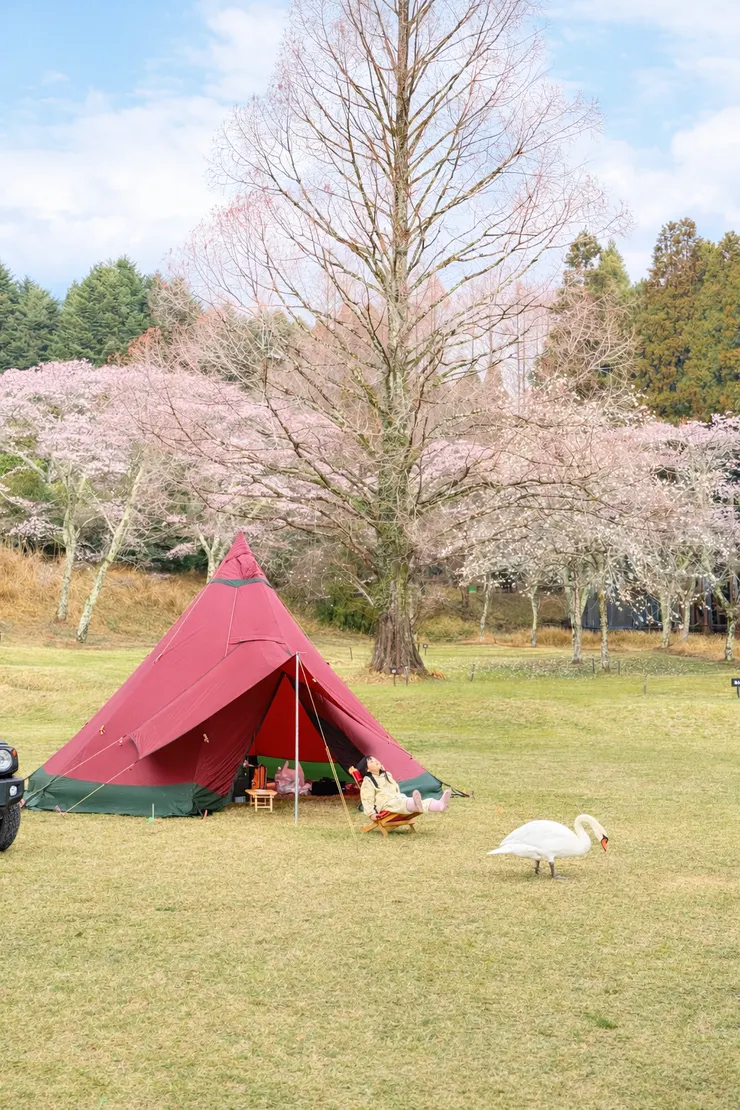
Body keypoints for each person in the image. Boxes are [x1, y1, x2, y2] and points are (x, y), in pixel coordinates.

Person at [357, 756, 451, 820]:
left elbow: (395, 788)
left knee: (407, 801)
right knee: (403, 803)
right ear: (367, 769)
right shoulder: (368, 781)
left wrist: (397, 794)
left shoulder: (387, 775)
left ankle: (439, 805)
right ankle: (416, 804)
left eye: (375, 759)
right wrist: (371, 814)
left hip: (395, 798)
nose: (376, 761)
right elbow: (367, 799)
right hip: (385, 804)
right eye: (371, 761)